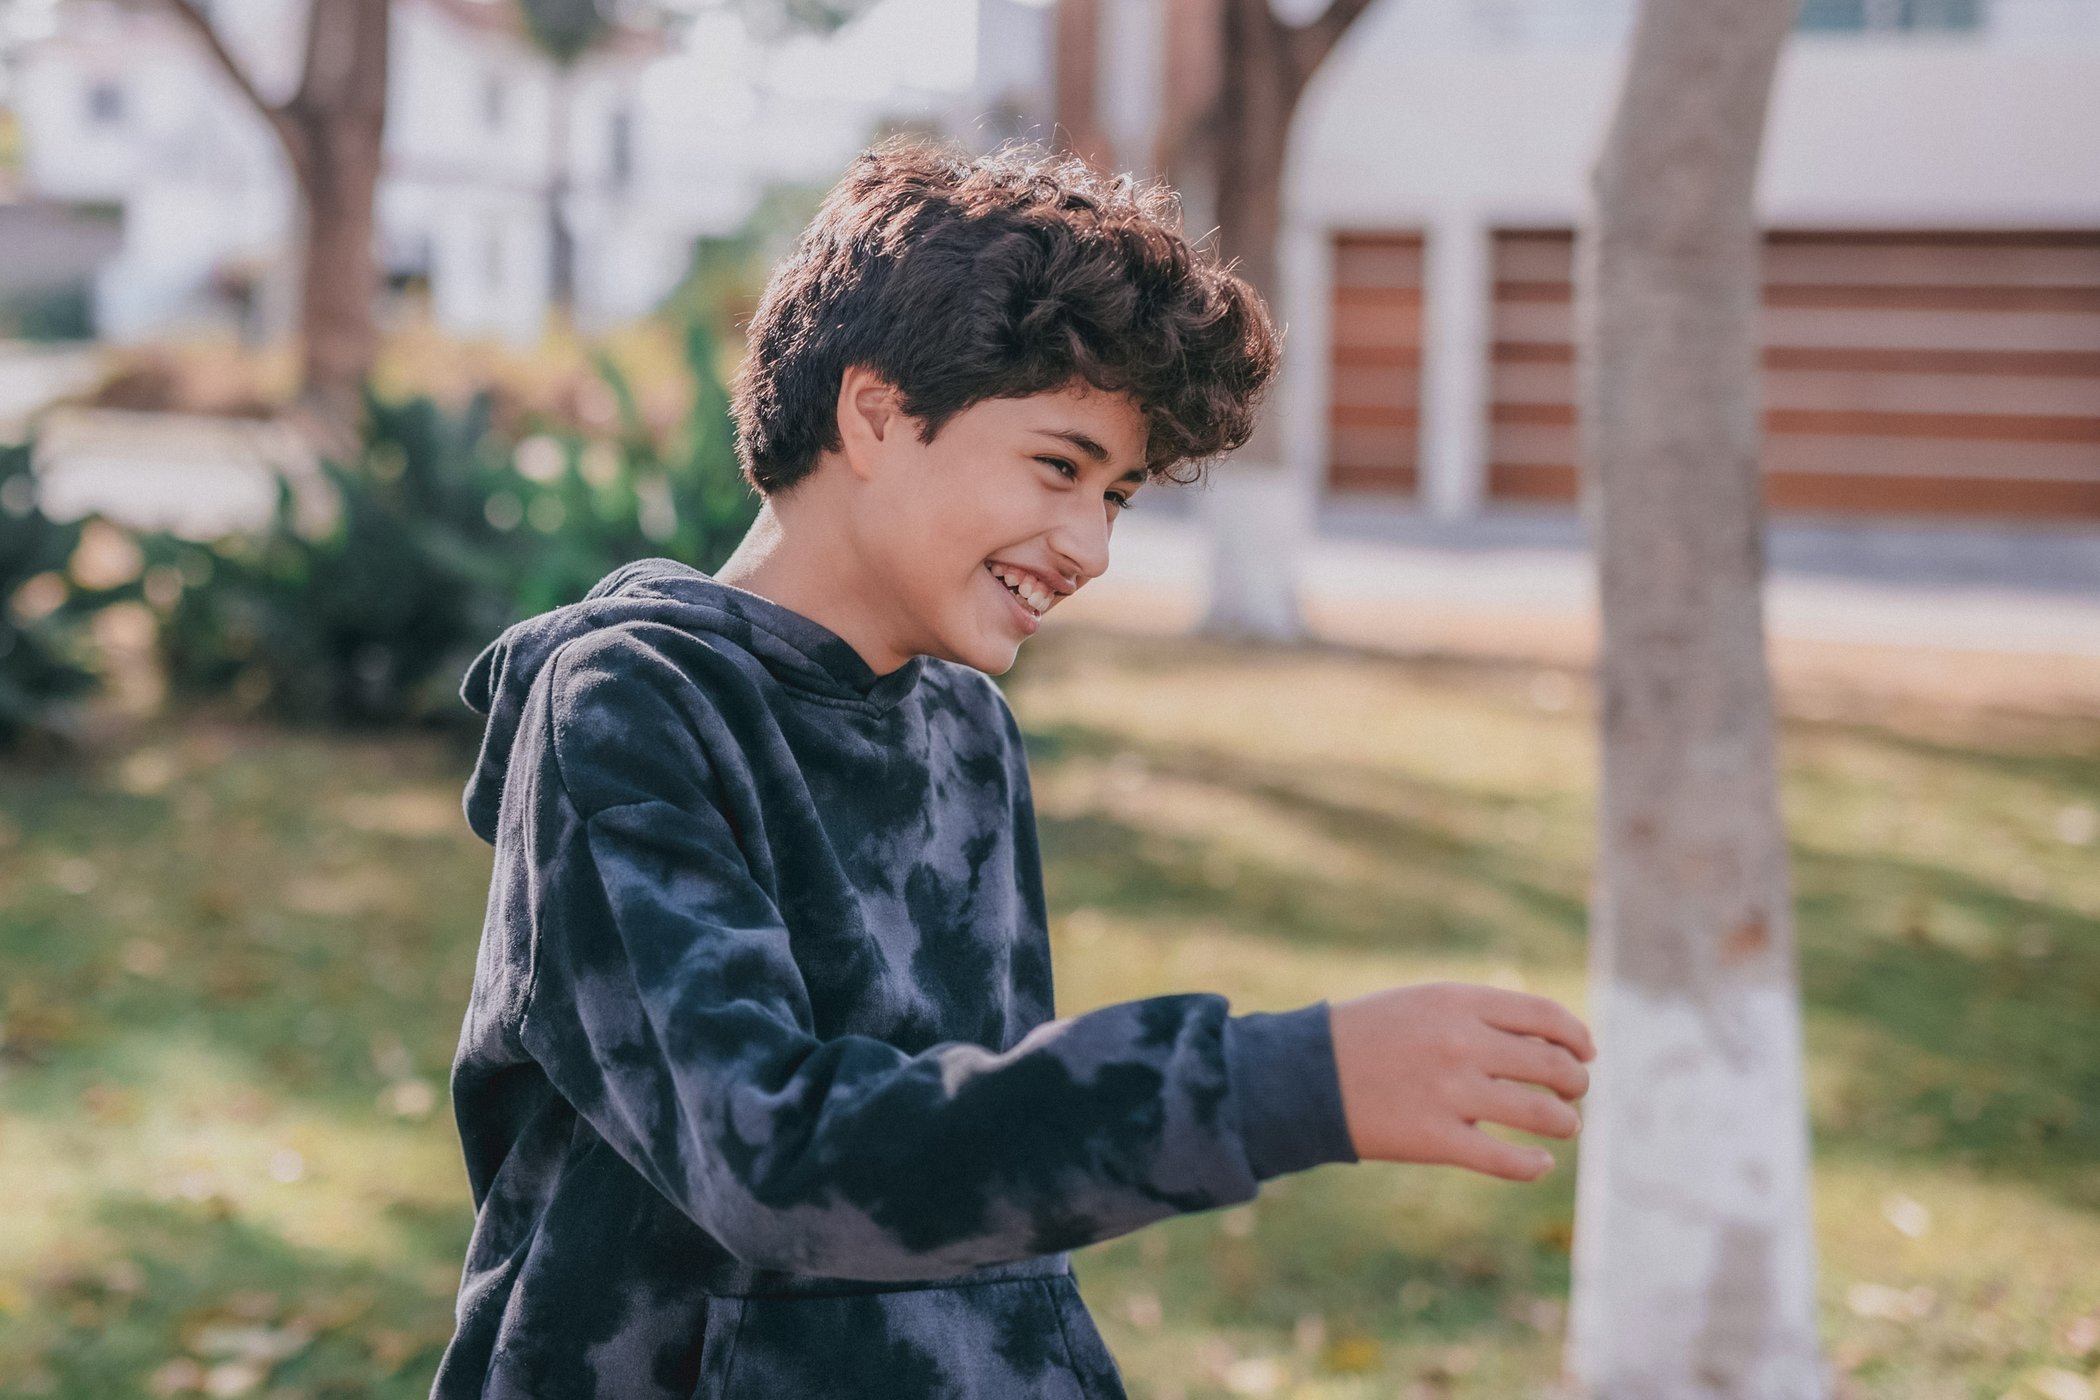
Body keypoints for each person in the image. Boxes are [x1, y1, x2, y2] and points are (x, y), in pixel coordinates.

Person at [431, 135, 1596, 1399]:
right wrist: (1278, 1085)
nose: (1091, 544)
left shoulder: (964, 727)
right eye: (1060, 466)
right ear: (874, 413)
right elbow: (768, 1157)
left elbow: (981, 1181)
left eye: (1123, 496)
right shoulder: (630, 703)